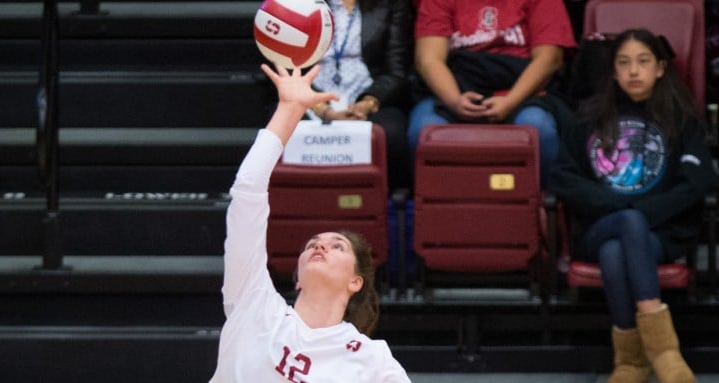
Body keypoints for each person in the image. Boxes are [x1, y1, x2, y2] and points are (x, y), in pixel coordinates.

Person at [210, 63, 410, 382]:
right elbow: (247, 191)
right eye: (312, 244)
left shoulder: (373, 360)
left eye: (337, 246)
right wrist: (288, 111)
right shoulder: (254, 302)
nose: (320, 245)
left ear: (355, 282)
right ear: (298, 278)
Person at [549, 29, 718, 383]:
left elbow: (700, 180)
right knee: (624, 226)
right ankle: (665, 353)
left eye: (643, 62)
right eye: (624, 63)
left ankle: (631, 362)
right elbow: (562, 177)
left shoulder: (681, 118)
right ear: (613, 71)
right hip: (600, 226)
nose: (633, 71)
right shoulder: (588, 118)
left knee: (616, 251)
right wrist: (618, 206)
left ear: (660, 68)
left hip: (659, 234)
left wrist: (644, 214)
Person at [408, 0, 576, 185]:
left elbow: (550, 59)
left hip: (522, 91)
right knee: (424, 130)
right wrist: (455, 100)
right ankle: (438, 207)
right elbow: (428, 59)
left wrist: (510, 101)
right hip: (455, 89)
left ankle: (544, 205)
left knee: (538, 128)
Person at [309, 0, 414, 192]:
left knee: (392, 132)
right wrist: (323, 110)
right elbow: (289, 70)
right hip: (310, 98)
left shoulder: (391, 4)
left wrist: (366, 104)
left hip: (368, 95)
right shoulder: (297, 5)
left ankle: (391, 210)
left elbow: (396, 71)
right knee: (281, 126)